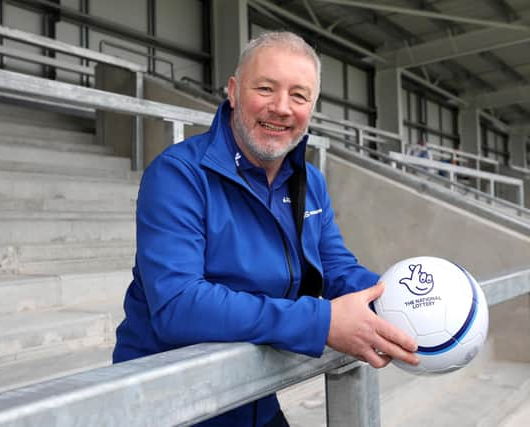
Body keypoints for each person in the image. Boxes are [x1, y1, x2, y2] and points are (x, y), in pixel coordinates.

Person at [113, 31, 418, 427]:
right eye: (266, 88)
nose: (281, 108)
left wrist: (405, 305)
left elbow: (339, 270)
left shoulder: (310, 182)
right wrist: (321, 322)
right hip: (170, 405)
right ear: (235, 92)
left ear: (312, 107)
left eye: (299, 95)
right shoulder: (178, 175)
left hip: (251, 396)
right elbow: (178, 305)